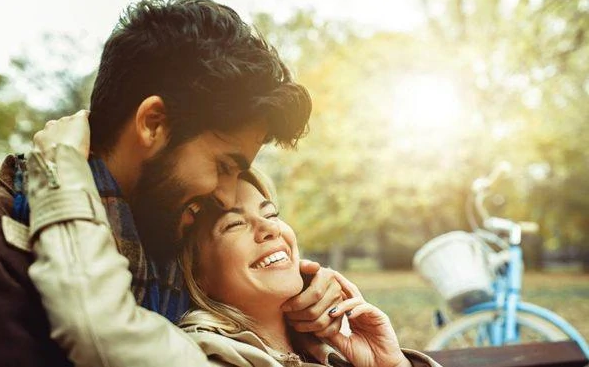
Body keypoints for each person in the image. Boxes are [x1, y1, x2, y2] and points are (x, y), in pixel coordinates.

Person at [0, 0, 343, 366]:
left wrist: (304, 312)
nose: (225, 196)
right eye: (224, 166)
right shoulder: (3, 248)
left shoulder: (173, 237)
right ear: (153, 123)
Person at [26, 120, 442, 366]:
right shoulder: (207, 353)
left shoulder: (328, 351)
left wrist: (391, 363)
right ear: (198, 275)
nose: (268, 230)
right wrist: (58, 165)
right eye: (232, 225)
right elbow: (100, 326)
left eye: (271, 213)